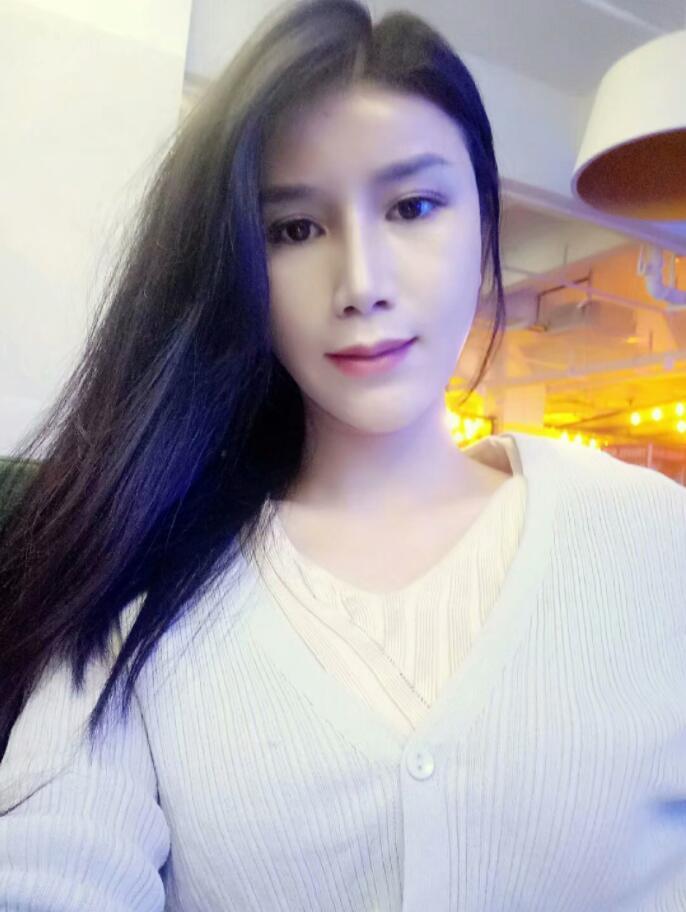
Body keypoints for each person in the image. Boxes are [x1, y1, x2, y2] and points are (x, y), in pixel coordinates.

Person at [0, 0, 684, 909]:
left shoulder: (651, 535)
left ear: (484, 224)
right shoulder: (146, 578)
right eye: (294, 228)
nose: (361, 284)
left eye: (412, 206)